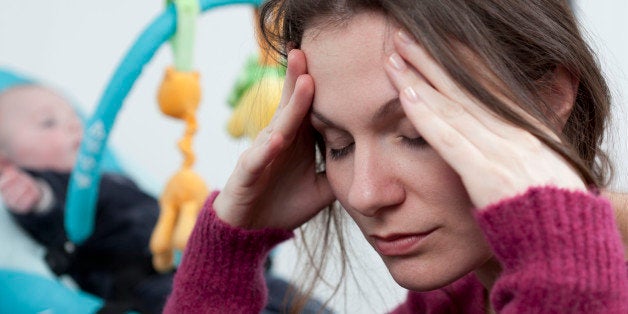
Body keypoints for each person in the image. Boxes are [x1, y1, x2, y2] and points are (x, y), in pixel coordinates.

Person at [164, 0, 628, 313]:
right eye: (336, 144)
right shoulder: (452, 300)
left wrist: (566, 275)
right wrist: (226, 253)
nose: (366, 195)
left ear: (547, 99)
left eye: (416, 134)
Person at [0, 83, 174, 313]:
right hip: (138, 280)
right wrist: (35, 197)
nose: (74, 125)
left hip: (174, 255)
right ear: (6, 162)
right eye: (48, 122)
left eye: (73, 117)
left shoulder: (108, 177)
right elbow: (51, 212)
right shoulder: (48, 183)